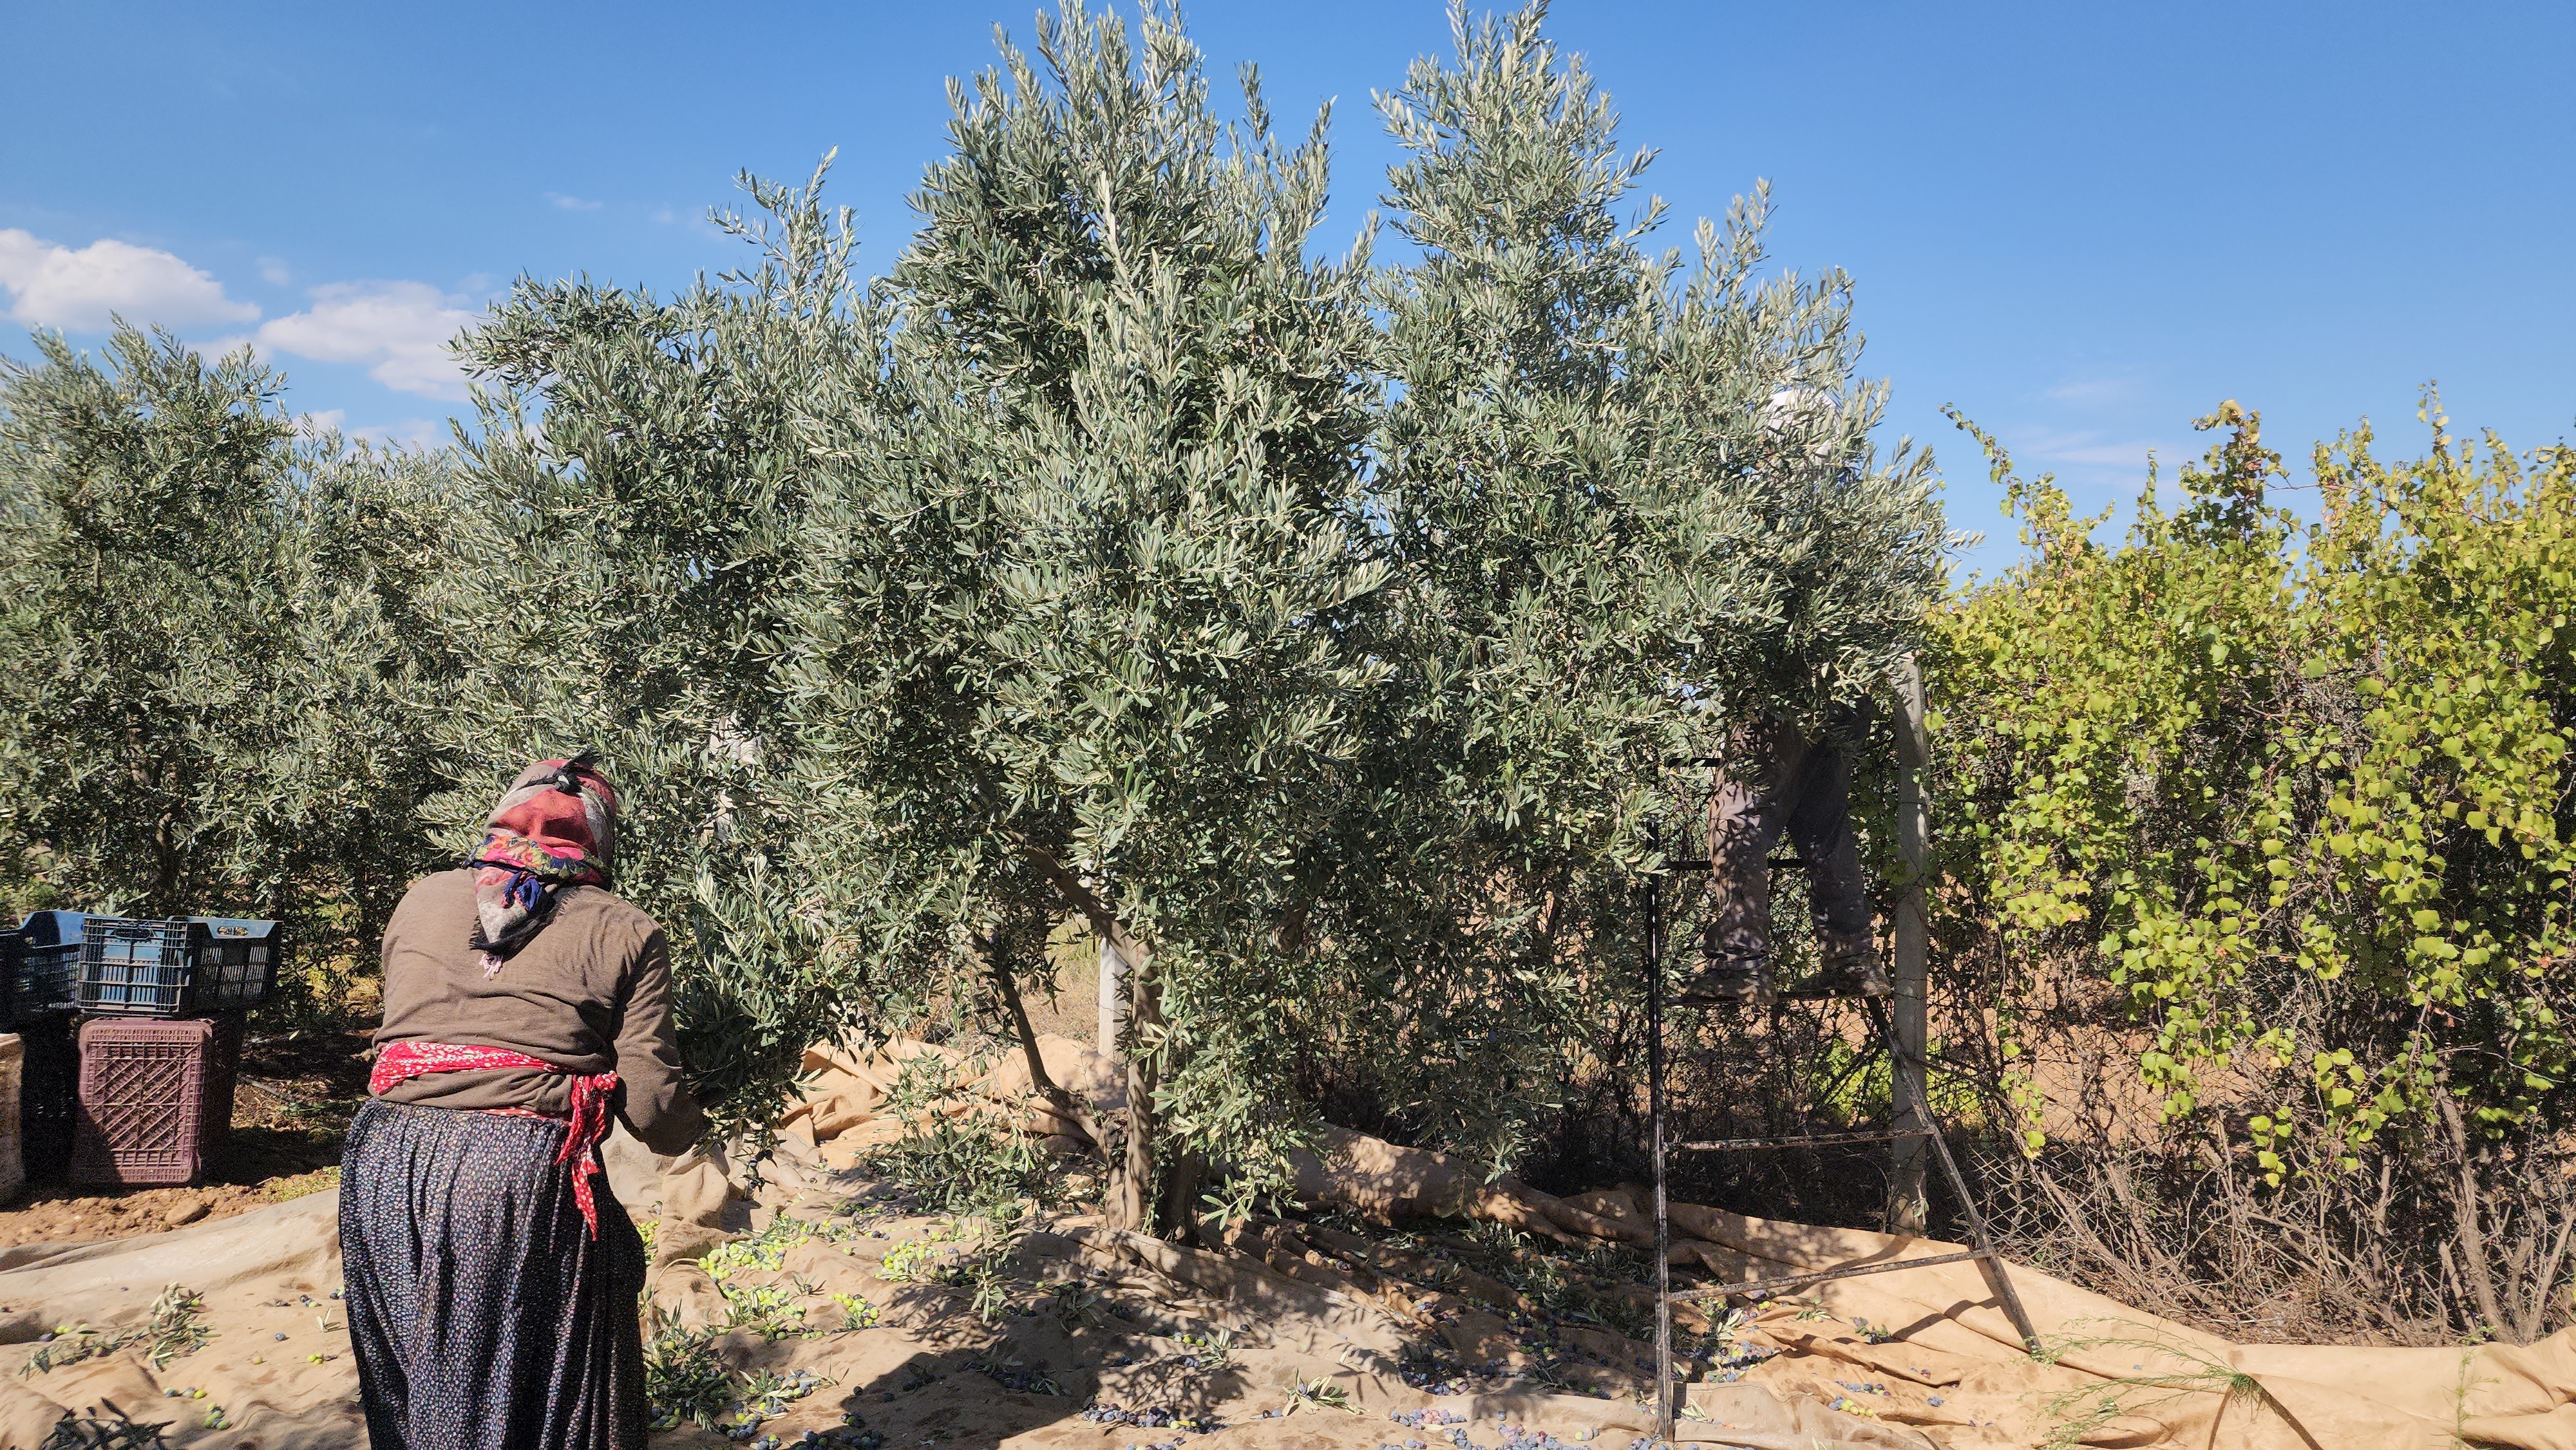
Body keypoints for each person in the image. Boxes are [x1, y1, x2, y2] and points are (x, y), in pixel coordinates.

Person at [341, 755, 704, 1450]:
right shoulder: (625, 928)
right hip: (508, 1176)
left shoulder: (422, 896)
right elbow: (654, 1110)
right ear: (600, 838)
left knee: (413, 1386)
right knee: (514, 1394)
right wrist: (698, 1115)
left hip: (384, 1160)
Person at [1685, 715, 1890, 1006]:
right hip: (1847, 700)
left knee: (1734, 820)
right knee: (1826, 829)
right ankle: (1854, 961)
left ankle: (1742, 964)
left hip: (1783, 698)